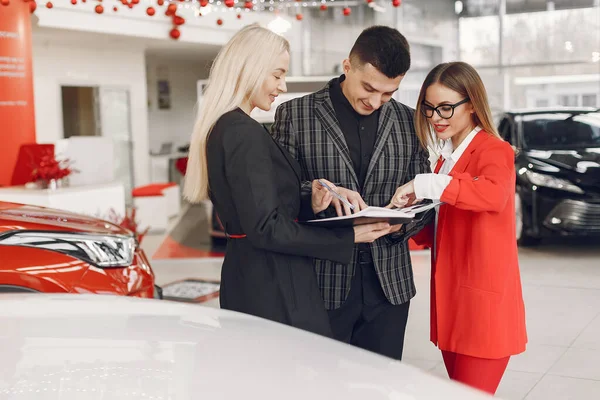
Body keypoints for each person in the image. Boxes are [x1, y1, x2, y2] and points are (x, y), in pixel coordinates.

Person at [183, 24, 397, 338]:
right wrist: (349, 237)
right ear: (250, 69)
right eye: (277, 74)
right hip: (273, 285)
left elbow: (256, 210)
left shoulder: (226, 127)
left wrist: (307, 198)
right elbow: (267, 228)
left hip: (253, 277)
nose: (282, 87)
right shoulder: (242, 131)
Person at [271, 25, 432, 360]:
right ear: (347, 66)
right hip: (321, 282)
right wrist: (311, 195)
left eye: (388, 93)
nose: (375, 102)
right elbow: (278, 193)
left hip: (389, 286)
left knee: (380, 386)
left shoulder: (409, 121)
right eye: (369, 88)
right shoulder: (295, 115)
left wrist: (404, 222)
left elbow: (426, 196)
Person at [389, 61, 527, 395]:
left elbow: (491, 196)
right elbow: (441, 229)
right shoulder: (444, 159)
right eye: (430, 108)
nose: (436, 117)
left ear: (473, 105)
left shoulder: (494, 150)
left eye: (447, 107)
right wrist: (405, 217)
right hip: (452, 304)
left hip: (483, 309)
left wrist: (425, 185)